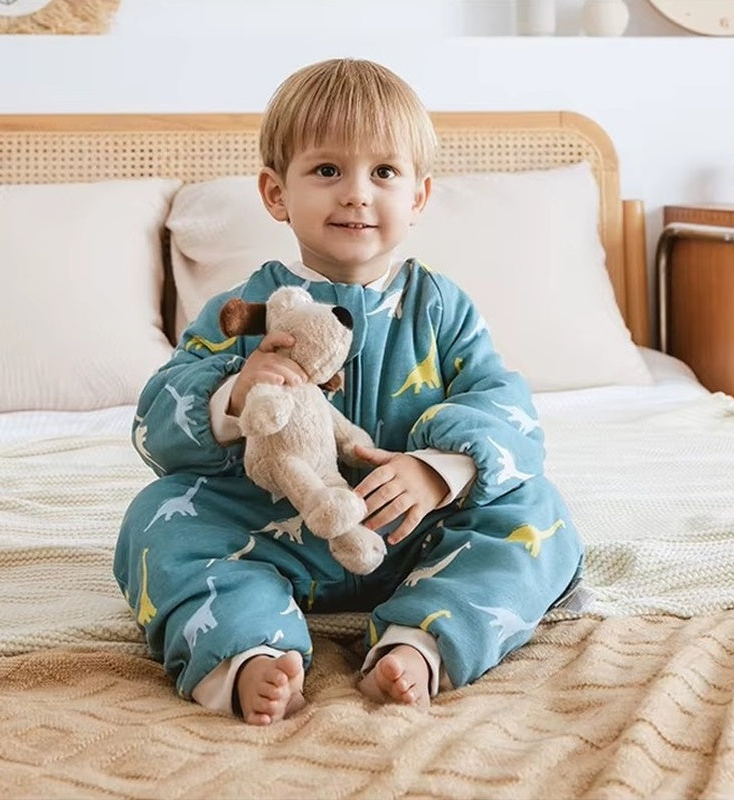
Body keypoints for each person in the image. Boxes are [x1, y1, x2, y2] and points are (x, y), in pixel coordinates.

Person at [114, 57, 583, 726]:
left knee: (541, 515)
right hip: (271, 532)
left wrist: (438, 471)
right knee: (156, 519)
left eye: (384, 172)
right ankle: (249, 651)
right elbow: (155, 424)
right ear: (276, 194)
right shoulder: (241, 310)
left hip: (417, 535)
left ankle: (421, 643)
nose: (357, 193)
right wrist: (234, 396)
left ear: (418, 197)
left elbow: (506, 406)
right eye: (328, 170)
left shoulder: (440, 308)